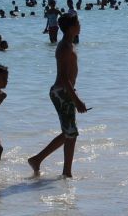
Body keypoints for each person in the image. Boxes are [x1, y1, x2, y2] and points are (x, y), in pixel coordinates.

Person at [28, 13, 87, 177]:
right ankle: (66, 172)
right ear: (70, 27)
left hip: (65, 91)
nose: (80, 26)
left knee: (69, 132)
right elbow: (62, 76)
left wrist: (74, 94)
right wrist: (77, 100)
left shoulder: (69, 44)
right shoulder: (64, 47)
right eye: (78, 23)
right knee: (71, 133)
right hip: (61, 92)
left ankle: (37, 160)